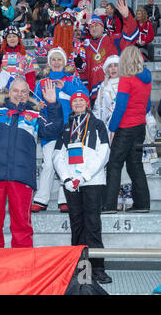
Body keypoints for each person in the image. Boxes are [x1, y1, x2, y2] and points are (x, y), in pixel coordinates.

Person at [0, 69, 64, 248]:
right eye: (16, 91)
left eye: (24, 92)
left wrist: (53, 103)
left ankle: (22, 268)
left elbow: (54, 129)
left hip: (22, 176)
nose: (19, 95)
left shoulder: (34, 115)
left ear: (28, 94)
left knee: (22, 227)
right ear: (8, 92)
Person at [52, 91, 112, 284]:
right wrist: (67, 177)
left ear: (87, 104)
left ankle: (98, 268)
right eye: (75, 101)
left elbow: (104, 152)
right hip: (71, 184)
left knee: (93, 225)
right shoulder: (66, 127)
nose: (78, 103)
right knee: (76, 225)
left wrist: (84, 176)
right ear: (71, 105)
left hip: (91, 181)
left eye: (81, 100)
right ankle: (79, 268)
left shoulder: (97, 124)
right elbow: (57, 155)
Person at [31, 47, 88, 213]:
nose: (56, 63)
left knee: (68, 165)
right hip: (50, 131)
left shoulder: (73, 79)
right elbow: (35, 107)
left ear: (65, 62)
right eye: (53, 59)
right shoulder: (41, 83)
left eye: (59, 59)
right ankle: (41, 199)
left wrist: (66, 87)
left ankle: (66, 199)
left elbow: (83, 97)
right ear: (49, 62)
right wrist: (39, 106)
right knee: (48, 164)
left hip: (71, 130)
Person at [103, 45, 152, 214]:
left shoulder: (126, 80)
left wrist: (112, 128)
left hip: (125, 127)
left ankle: (108, 205)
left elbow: (120, 107)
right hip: (140, 127)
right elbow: (147, 106)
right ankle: (142, 204)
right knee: (135, 165)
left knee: (114, 165)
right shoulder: (147, 78)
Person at [77, 0, 138, 108]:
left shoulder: (113, 39)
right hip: (95, 93)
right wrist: (80, 66)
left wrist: (127, 16)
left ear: (102, 26)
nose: (94, 28)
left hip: (115, 88)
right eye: (91, 26)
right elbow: (84, 73)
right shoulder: (84, 47)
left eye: (96, 25)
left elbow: (130, 37)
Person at [0, 26, 40, 91]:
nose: (12, 39)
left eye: (14, 36)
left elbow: (30, 76)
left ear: (18, 38)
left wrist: (30, 92)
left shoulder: (28, 56)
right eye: (9, 37)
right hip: (2, 92)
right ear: (5, 40)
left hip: (20, 92)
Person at [35, 10, 86, 75]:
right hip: (52, 80)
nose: (65, 25)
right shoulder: (49, 42)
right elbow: (39, 53)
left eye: (68, 23)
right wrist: (39, 38)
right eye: (62, 22)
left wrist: (80, 63)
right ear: (57, 26)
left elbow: (83, 69)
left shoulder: (78, 44)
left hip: (71, 80)